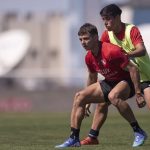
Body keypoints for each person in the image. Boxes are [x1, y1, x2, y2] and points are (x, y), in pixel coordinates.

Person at [55, 23, 147, 148]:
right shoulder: (89, 57)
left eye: (86, 39)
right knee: (79, 96)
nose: (83, 42)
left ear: (95, 37)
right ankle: (74, 138)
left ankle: (138, 131)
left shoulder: (111, 51)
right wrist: (87, 102)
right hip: (110, 81)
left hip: (127, 80)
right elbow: (92, 78)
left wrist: (138, 93)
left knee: (113, 96)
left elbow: (133, 69)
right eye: (81, 39)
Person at [81, 4, 150, 147]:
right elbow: (100, 53)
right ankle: (93, 136)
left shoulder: (131, 30)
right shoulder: (107, 35)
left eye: (108, 19)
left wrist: (124, 54)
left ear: (118, 17)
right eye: (103, 20)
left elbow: (141, 50)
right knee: (103, 101)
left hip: (144, 76)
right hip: (125, 77)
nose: (105, 23)